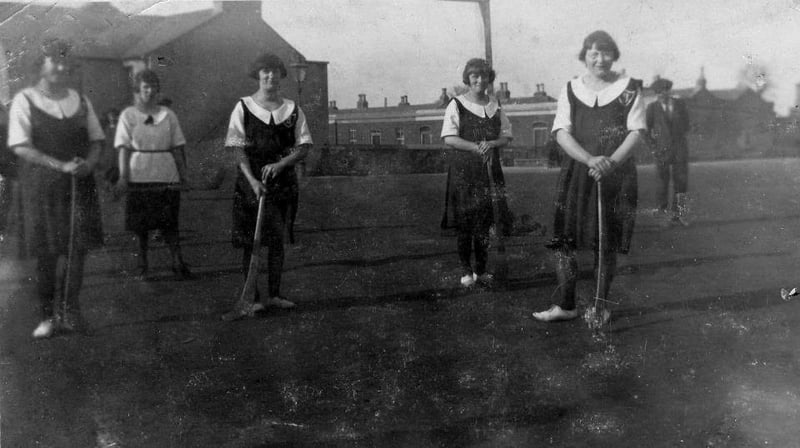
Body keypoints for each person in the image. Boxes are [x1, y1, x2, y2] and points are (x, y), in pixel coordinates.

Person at [532, 31, 645, 323]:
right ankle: (565, 305)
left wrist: (610, 163)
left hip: (615, 176)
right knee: (566, 240)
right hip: (577, 174)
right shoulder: (570, 88)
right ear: (585, 56)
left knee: (604, 242)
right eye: (593, 53)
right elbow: (561, 132)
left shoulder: (630, 88)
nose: (600, 59)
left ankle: (600, 307)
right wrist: (589, 159)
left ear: (614, 55)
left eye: (606, 52)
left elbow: (637, 132)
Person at [6, 39, 105, 338]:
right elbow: (21, 146)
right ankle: (47, 316)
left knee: (77, 251)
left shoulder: (80, 100)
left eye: (65, 60)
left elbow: (97, 140)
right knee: (47, 252)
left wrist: (89, 162)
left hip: (78, 184)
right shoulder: (25, 100)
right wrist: (59, 165)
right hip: (42, 188)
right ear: (41, 64)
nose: (61, 66)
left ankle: (71, 312)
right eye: (54, 60)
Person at [223, 52, 312, 317]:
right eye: (265, 72)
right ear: (258, 75)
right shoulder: (243, 106)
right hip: (250, 184)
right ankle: (252, 298)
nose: (270, 76)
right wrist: (251, 180)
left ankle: (274, 294)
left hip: (282, 184)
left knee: (276, 242)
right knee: (250, 241)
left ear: (281, 76)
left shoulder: (293, 109)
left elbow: (304, 146)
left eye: (275, 72)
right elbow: (236, 148)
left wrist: (281, 164)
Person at [440, 58, 513, 287]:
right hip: (464, 172)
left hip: (490, 171)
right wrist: (475, 147)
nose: (479, 80)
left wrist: (491, 144)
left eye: (483, 76)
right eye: (474, 76)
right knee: (465, 222)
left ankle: (481, 270)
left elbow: (507, 137)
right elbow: (449, 138)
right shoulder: (456, 104)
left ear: (489, 79)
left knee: (484, 223)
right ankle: (466, 270)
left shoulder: (495, 105)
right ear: (467, 79)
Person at [115, 69, 192, 280]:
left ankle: (178, 263)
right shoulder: (128, 115)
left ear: (158, 90)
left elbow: (177, 147)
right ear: (138, 91)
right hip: (139, 173)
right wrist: (123, 176)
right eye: (145, 88)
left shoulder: (169, 115)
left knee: (170, 223)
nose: (149, 92)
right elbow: (123, 148)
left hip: (166, 174)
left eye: (153, 87)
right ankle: (142, 265)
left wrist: (184, 175)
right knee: (141, 225)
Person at [646, 77, 691, 226]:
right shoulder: (652, 108)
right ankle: (664, 216)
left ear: (669, 91)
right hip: (661, 152)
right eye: (658, 93)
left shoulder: (680, 104)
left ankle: (681, 215)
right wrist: (654, 147)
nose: (661, 95)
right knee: (662, 185)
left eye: (664, 91)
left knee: (681, 183)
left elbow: (687, 126)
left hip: (679, 150)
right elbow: (646, 130)